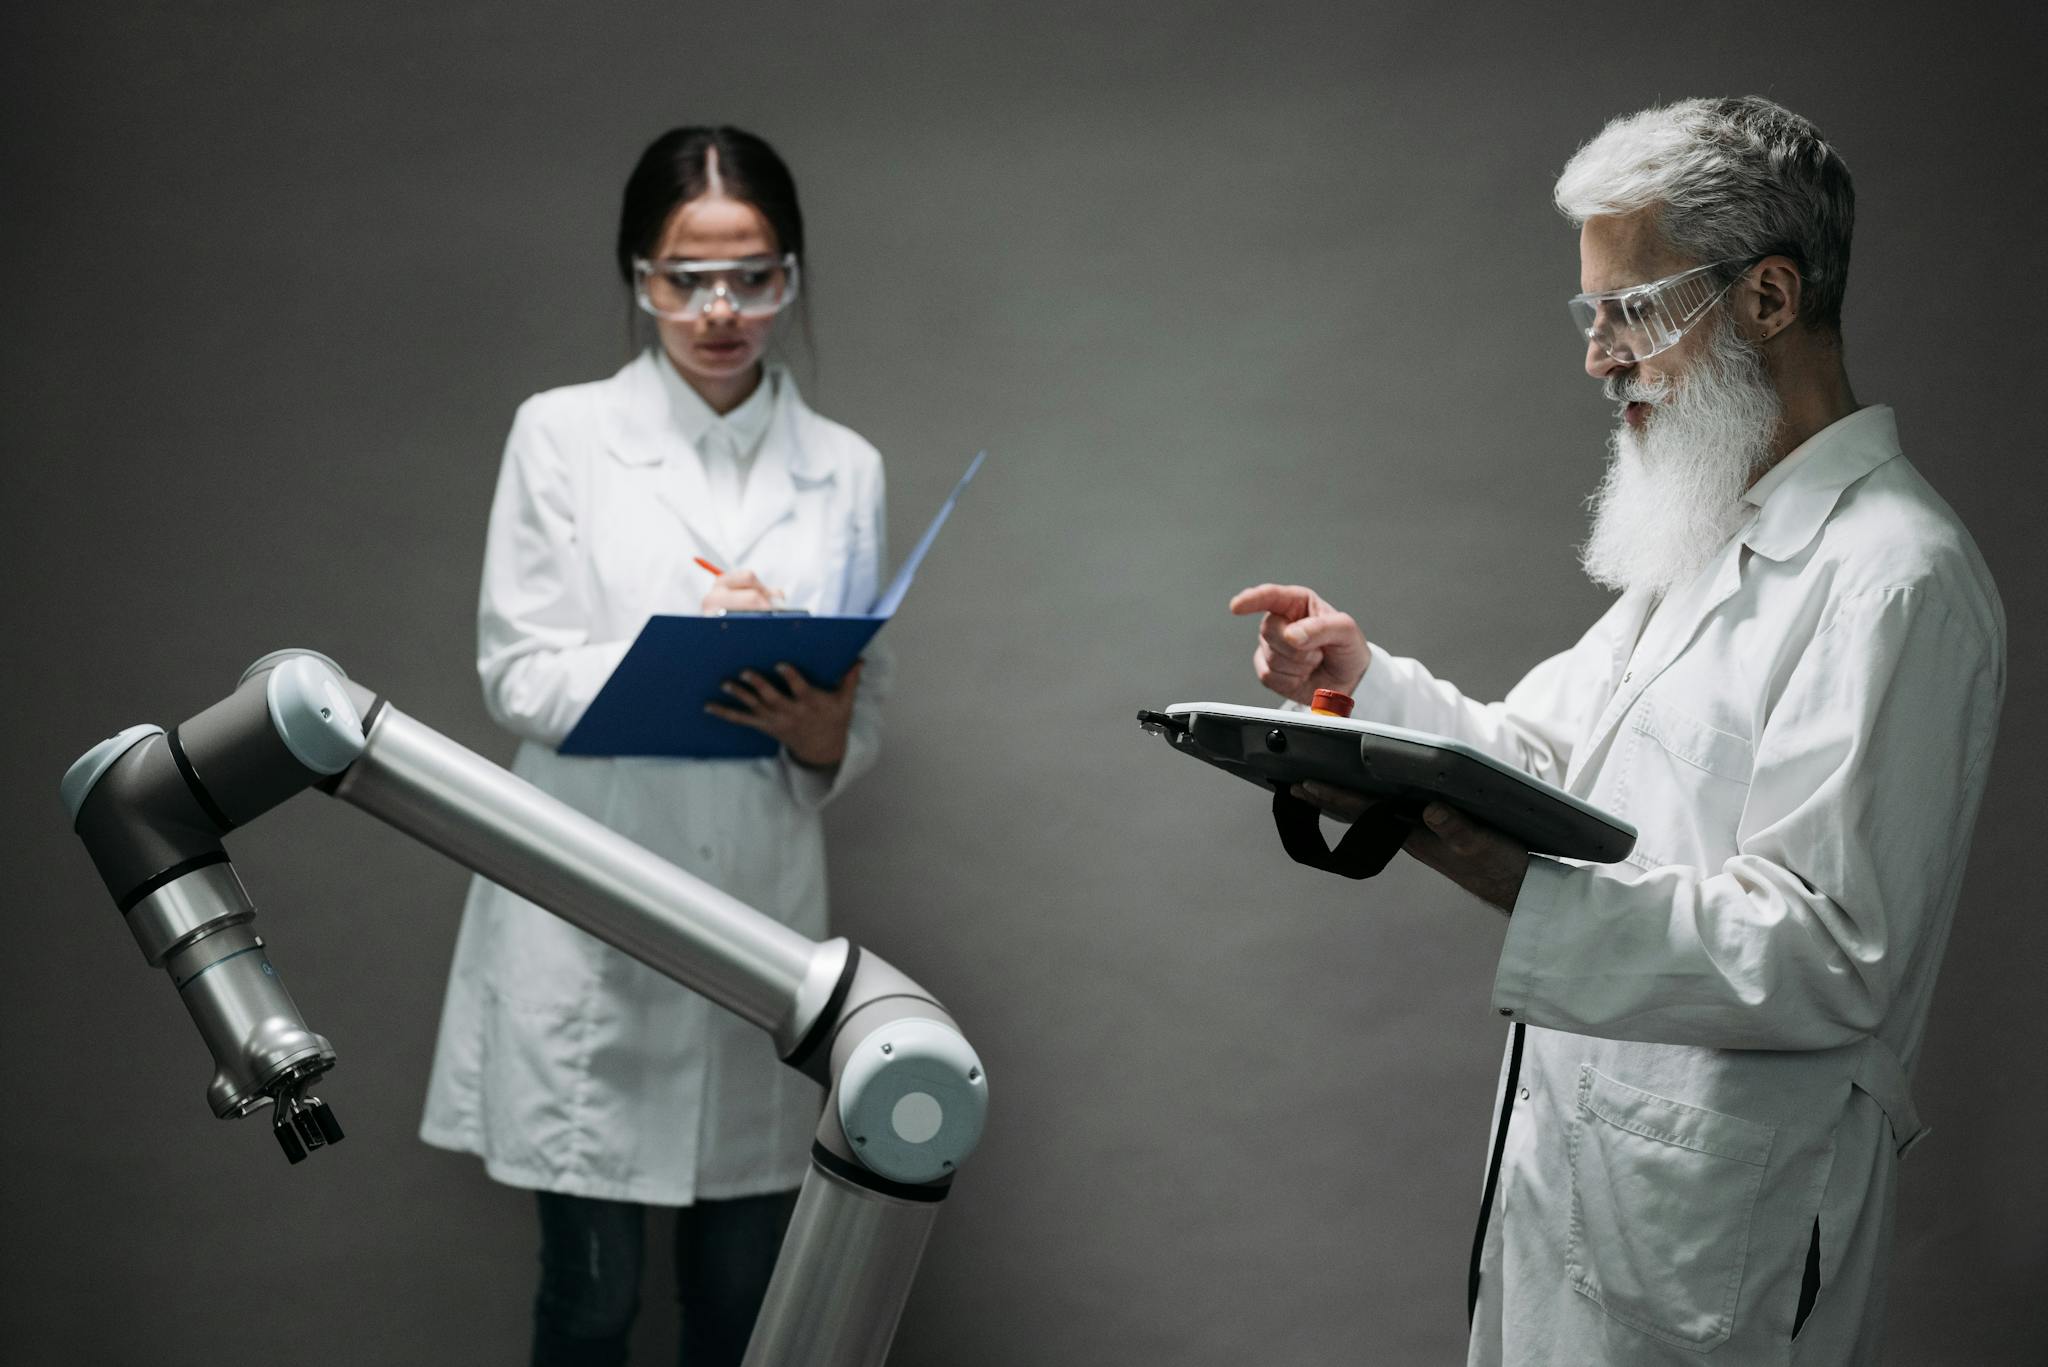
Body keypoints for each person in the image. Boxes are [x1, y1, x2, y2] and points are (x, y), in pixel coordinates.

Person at [1232, 97, 2004, 1364]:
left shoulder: (1890, 580)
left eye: (1632, 309)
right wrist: (1363, 687)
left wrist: (1513, 881)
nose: (1597, 356)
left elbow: (1829, 949)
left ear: (1767, 296)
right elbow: (1540, 759)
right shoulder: (1707, 544)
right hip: (1587, 1191)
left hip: (1718, 1234)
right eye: (1590, 314)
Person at [419, 126, 889, 1366]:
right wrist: (682, 650)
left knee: (744, 1308)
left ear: (790, 275)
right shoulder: (562, 434)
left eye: (752, 276)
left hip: (757, 914)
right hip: (592, 903)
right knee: (591, 1304)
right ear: (639, 275)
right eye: (685, 277)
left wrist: (828, 733)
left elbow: (859, 709)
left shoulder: (844, 470)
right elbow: (517, 669)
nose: (719, 309)